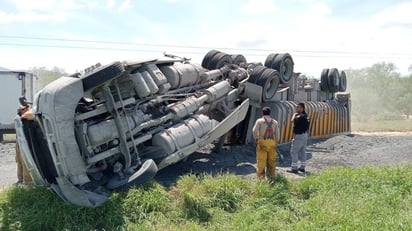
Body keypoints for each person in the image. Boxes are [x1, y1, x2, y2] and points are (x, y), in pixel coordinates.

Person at [252, 106, 280, 179]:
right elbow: (277, 135)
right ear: (270, 113)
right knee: (271, 161)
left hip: (262, 143)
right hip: (272, 144)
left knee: (261, 161)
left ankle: (261, 179)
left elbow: (254, 131)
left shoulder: (259, 121)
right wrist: (276, 143)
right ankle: (271, 178)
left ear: (262, 113)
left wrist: (257, 138)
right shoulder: (275, 122)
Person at [288, 102, 310, 174]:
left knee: (294, 151)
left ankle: (294, 168)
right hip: (305, 135)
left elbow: (292, 121)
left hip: (299, 135)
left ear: (302, 108)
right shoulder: (306, 116)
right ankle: (302, 167)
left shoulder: (299, 116)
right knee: (303, 152)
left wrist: (294, 115)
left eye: (298, 107)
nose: (297, 108)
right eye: (296, 107)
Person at [15, 105, 33, 184]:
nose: (28, 109)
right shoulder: (23, 117)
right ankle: (27, 180)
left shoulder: (17, 118)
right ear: (22, 110)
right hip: (22, 142)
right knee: (25, 161)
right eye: (26, 108)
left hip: (18, 141)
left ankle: (20, 178)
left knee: (20, 161)